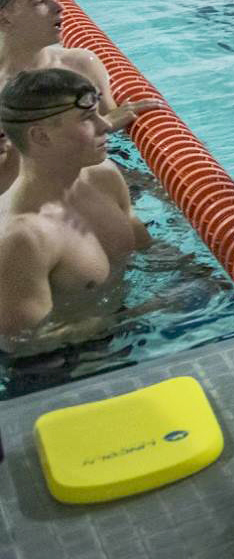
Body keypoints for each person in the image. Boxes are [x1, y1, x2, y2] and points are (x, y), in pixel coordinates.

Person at [0, 69, 150, 350]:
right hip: (69, 369)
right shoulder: (23, 237)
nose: (106, 124)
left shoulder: (104, 176)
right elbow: (21, 344)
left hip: (125, 333)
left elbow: (150, 253)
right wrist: (140, 313)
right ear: (41, 136)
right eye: (87, 118)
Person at [0, 0, 163, 194]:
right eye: (39, 1)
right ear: (4, 19)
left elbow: (117, 146)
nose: (59, 7)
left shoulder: (81, 64)